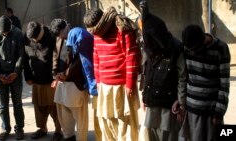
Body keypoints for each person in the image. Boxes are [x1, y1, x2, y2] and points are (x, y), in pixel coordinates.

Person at [84, 7, 141, 141]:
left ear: (102, 21)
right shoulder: (98, 33)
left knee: (126, 122)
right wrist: (98, 81)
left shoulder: (123, 29)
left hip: (123, 86)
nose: (92, 32)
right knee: (107, 121)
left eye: (93, 28)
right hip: (105, 86)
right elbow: (96, 57)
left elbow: (132, 57)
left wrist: (130, 84)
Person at [139, 1, 187, 141]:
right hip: (151, 102)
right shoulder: (149, 48)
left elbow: (182, 77)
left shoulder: (176, 49)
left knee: (168, 136)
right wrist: (144, 96)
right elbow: (146, 71)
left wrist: (181, 102)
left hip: (169, 106)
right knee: (149, 136)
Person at [179, 25, 230, 141]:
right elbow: (183, 77)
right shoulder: (187, 47)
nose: (192, 52)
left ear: (203, 39)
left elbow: (224, 84)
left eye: (195, 49)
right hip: (190, 110)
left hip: (211, 112)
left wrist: (219, 112)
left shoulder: (221, 48)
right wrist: (180, 101)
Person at [50, 19, 93, 141]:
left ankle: (81, 138)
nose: (60, 38)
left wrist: (66, 74)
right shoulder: (59, 38)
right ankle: (69, 136)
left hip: (76, 83)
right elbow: (55, 55)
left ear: (65, 28)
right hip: (62, 83)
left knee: (80, 116)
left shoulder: (78, 35)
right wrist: (55, 74)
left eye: (60, 34)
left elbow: (81, 60)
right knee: (63, 113)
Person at [23, 21, 62, 141]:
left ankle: (58, 130)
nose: (34, 41)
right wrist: (28, 75)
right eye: (32, 39)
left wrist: (56, 77)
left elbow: (57, 58)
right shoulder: (27, 37)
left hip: (50, 80)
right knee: (38, 105)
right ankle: (42, 128)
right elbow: (24, 57)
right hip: (36, 78)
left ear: (41, 31)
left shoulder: (51, 36)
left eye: (36, 38)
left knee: (54, 106)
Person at [0, 15, 25, 140]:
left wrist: (16, 71)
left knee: (18, 103)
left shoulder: (18, 33)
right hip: (1, 75)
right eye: (2, 33)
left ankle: (19, 128)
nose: (5, 34)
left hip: (15, 74)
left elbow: (21, 54)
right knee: (3, 105)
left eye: (7, 32)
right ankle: (5, 128)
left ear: (11, 28)